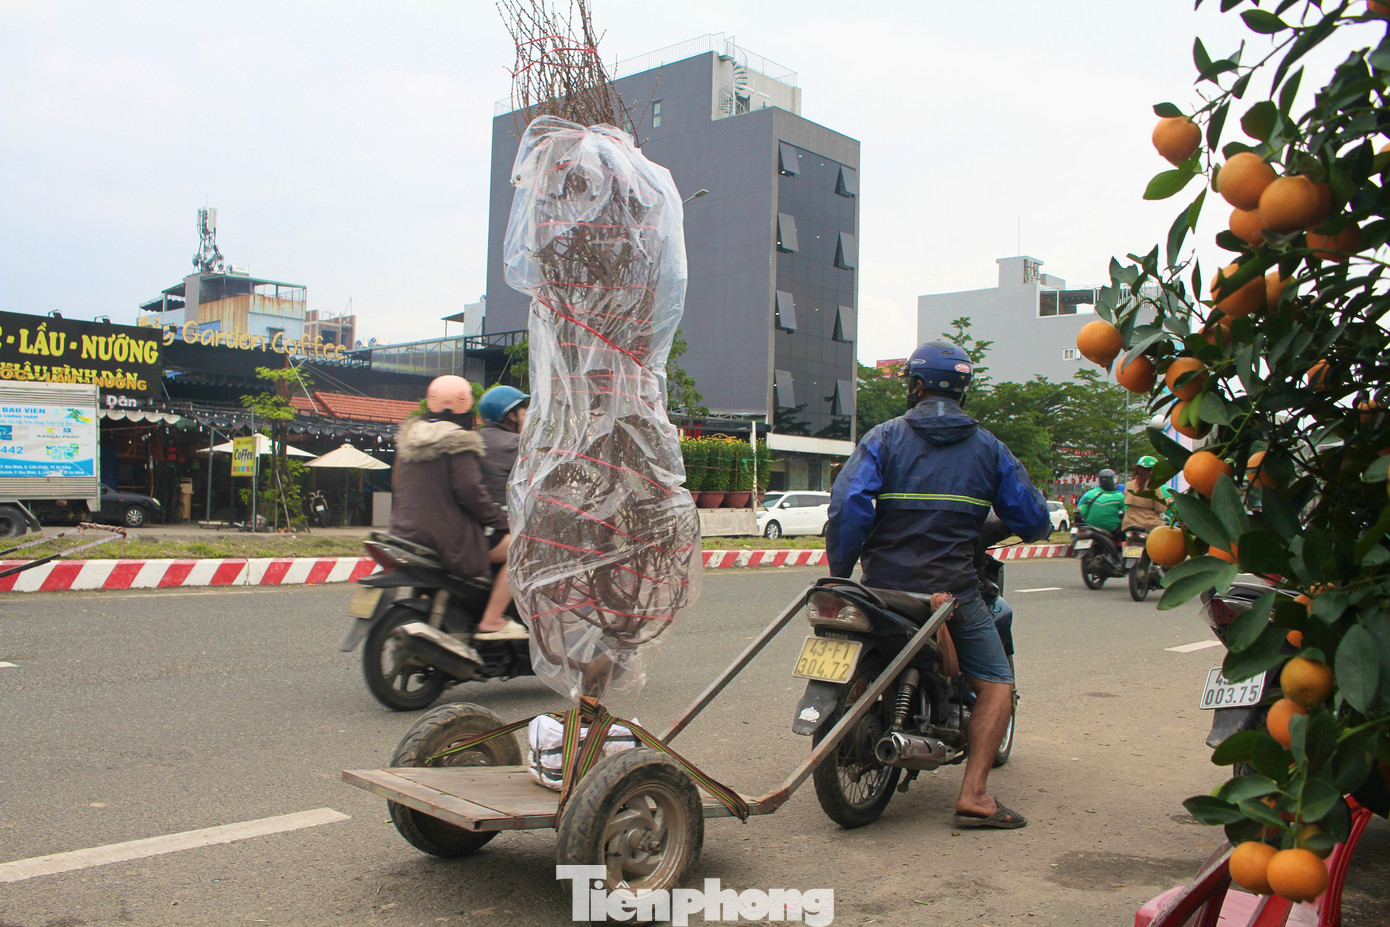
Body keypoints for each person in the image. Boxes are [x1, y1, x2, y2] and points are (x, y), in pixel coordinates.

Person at [826, 340, 1051, 830]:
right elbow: (1031, 516)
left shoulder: (883, 438)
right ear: (963, 390)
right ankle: (974, 794)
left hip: (881, 591)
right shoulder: (989, 449)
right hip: (952, 594)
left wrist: (842, 571)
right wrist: (1030, 527)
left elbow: (849, 507)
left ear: (916, 385)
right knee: (997, 686)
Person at [390, 375, 527, 640]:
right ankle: (492, 619)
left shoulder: (410, 438)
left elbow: (398, 484)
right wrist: (501, 522)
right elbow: (471, 494)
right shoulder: (460, 441)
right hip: (444, 536)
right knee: (518, 549)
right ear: (463, 404)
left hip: (403, 531)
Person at [476, 384, 530, 515]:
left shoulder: (472, 438)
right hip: (506, 522)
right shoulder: (516, 443)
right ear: (511, 415)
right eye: (523, 414)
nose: (526, 420)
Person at [1121, 455, 1170, 533]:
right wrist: (1166, 503)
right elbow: (1160, 509)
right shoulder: (1154, 487)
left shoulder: (1129, 484)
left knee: (1125, 541)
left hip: (1128, 523)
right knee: (1170, 531)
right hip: (1149, 523)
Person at [1075, 469, 1125, 536]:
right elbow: (1126, 512)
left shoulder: (1089, 494)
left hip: (1090, 528)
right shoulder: (1120, 497)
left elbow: (1083, 511)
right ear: (1113, 481)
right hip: (1111, 530)